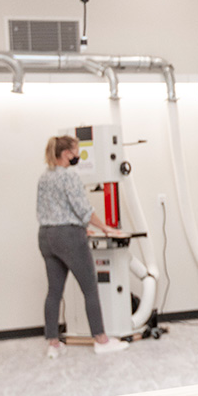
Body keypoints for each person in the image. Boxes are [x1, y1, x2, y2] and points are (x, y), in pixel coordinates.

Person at [37, 135, 129, 358]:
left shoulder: (44, 177)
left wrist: (78, 226)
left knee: (54, 292)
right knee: (89, 288)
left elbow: (52, 209)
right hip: (68, 236)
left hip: (46, 236)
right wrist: (106, 228)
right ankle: (101, 340)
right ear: (67, 153)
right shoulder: (70, 175)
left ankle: (53, 343)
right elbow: (83, 209)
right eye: (76, 151)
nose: (78, 155)